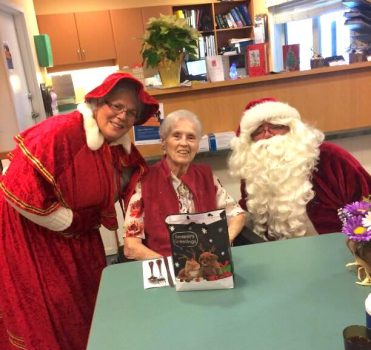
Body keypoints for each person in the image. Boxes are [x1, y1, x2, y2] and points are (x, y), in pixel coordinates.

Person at [0, 72, 159, 350]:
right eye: (117, 106)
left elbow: (131, 174)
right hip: (35, 235)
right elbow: (14, 188)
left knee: (88, 296)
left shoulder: (113, 142)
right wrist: (68, 221)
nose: (123, 117)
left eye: (131, 113)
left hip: (78, 233)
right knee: (54, 306)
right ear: (98, 102)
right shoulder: (61, 131)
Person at [228, 97, 371, 241]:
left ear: (293, 128)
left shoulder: (330, 156)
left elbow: (365, 199)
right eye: (258, 131)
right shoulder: (254, 168)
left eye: (276, 126)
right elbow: (246, 207)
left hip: (340, 249)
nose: (267, 134)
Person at [123, 110, 246, 260]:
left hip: (205, 264)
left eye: (191, 137)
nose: (184, 143)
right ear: (163, 141)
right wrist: (172, 267)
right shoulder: (145, 181)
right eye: (176, 136)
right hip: (163, 265)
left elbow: (237, 215)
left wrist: (223, 244)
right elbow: (131, 247)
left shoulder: (207, 177)